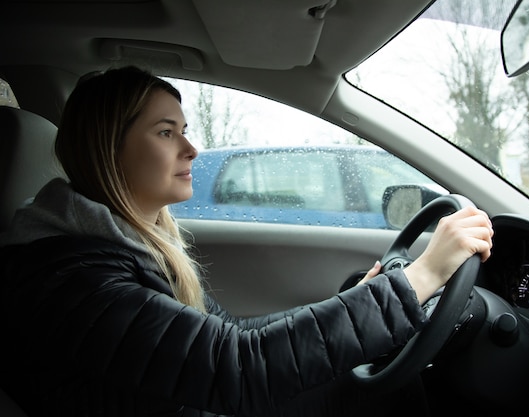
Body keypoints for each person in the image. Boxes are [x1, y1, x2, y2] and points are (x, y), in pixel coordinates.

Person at [0, 66, 493, 417]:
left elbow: (229, 333)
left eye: (185, 130)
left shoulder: (116, 249)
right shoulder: (74, 279)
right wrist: (421, 276)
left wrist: (363, 297)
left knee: (381, 382)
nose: (192, 148)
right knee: (388, 393)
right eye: (166, 132)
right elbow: (236, 366)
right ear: (109, 149)